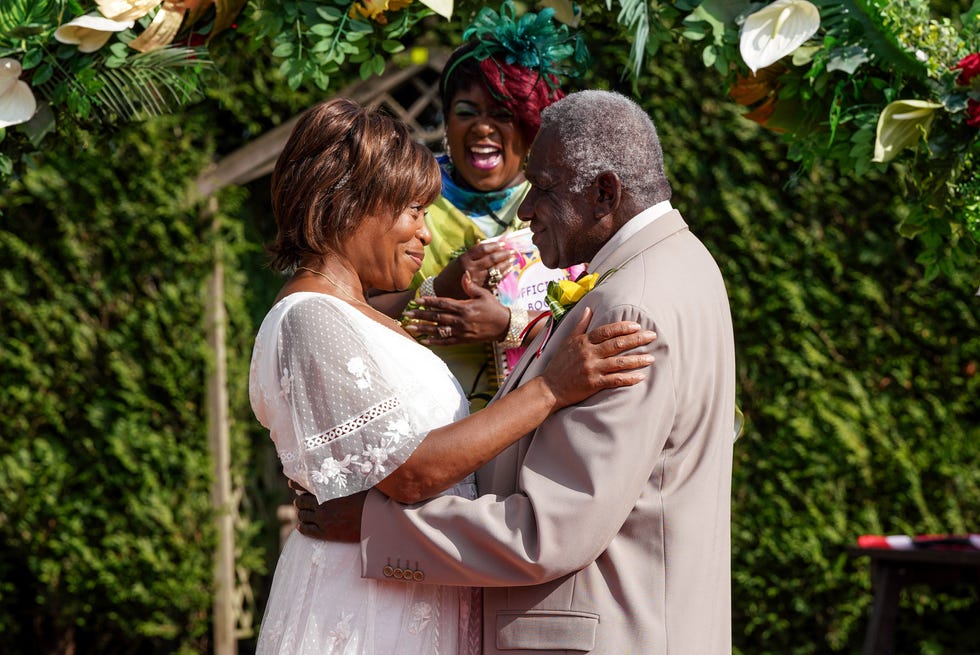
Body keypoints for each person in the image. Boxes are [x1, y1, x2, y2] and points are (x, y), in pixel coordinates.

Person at [295, 90, 737, 654]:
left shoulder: (632, 305)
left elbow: (550, 531)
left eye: (544, 188)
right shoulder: (681, 264)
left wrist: (371, 526)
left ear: (606, 192)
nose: (525, 210)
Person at [369, 1, 589, 409]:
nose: (483, 127)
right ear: (447, 121)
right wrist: (437, 289)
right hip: (428, 429)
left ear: (528, 127)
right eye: (466, 112)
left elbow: (597, 324)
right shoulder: (402, 199)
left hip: (539, 438)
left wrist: (510, 326)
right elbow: (355, 313)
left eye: (503, 115)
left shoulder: (563, 205)